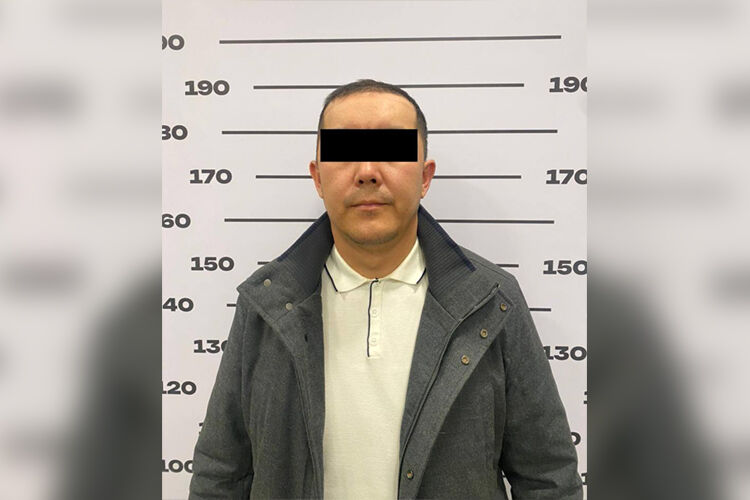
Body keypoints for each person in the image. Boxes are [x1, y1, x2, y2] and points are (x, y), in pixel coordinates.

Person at [188, 79, 583, 499]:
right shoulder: (265, 304)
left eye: (392, 150)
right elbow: (221, 474)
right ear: (318, 178)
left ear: (425, 177)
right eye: (345, 152)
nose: (367, 172)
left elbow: (548, 478)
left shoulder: (491, 302)